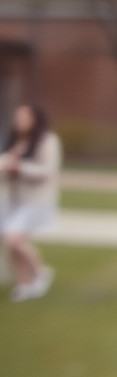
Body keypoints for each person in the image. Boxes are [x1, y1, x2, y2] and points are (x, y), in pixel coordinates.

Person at [2, 104, 60, 303]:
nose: (20, 121)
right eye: (18, 117)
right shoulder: (15, 142)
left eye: (24, 117)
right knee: (11, 245)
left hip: (36, 202)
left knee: (13, 239)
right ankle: (24, 284)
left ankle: (41, 271)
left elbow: (48, 172)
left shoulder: (48, 141)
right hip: (15, 201)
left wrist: (21, 167)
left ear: (35, 119)